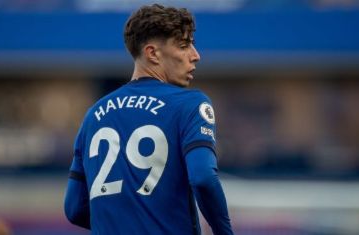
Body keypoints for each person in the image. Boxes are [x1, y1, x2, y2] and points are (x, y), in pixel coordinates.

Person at [64, 4, 234, 235]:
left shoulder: (94, 114)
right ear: (152, 53)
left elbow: (74, 208)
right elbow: (203, 178)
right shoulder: (189, 104)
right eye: (184, 46)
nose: (196, 55)